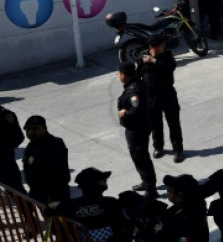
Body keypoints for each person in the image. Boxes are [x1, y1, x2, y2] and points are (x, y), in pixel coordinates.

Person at [139, 32, 185, 163]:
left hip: (168, 94)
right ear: (152, 47)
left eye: (163, 44)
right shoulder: (143, 57)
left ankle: (178, 150)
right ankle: (158, 147)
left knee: (174, 123)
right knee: (155, 124)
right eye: (160, 45)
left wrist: (153, 61)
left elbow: (170, 67)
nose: (163, 46)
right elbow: (137, 76)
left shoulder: (167, 55)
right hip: (151, 96)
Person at [117, 60, 157, 198]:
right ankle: (146, 182)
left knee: (140, 157)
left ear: (123, 75)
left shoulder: (133, 91)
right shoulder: (138, 83)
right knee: (139, 156)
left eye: (119, 73)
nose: (118, 76)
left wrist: (124, 113)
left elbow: (137, 110)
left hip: (136, 128)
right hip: (141, 126)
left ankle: (151, 189)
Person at [53, 168, 126, 241]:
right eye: (102, 179)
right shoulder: (111, 203)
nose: (105, 180)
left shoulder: (71, 205)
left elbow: (49, 209)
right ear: (94, 183)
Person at [22, 115, 70, 205]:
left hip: (54, 195)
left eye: (35, 129)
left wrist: (54, 195)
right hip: (38, 192)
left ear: (44, 129)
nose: (31, 132)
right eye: (28, 129)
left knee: (57, 214)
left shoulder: (54, 144)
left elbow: (58, 172)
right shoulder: (31, 147)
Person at [155, 174, 209, 242]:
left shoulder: (186, 222)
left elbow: (185, 240)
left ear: (179, 197)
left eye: (170, 189)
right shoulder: (189, 204)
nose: (167, 191)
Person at [0, 104, 26, 193]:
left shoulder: (6, 115)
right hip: (6, 160)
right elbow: (18, 138)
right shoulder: (7, 114)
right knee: (17, 192)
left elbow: (18, 138)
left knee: (16, 191)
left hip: (5, 161)